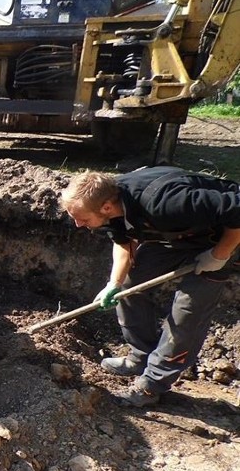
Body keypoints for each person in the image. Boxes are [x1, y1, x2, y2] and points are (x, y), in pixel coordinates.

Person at [60, 166, 240, 407]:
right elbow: (124, 242)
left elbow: (237, 210)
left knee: (187, 311)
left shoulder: (168, 203)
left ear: (106, 207)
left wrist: (220, 254)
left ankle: (153, 385)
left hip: (222, 237)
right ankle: (141, 356)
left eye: (81, 218)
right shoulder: (111, 201)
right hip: (177, 236)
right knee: (128, 285)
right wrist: (113, 283)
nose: (78, 224)